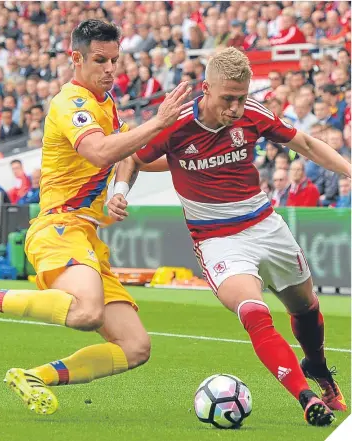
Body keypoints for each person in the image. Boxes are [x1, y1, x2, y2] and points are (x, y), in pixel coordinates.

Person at [0, 19, 192, 416]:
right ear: (76, 58)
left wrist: (196, 158)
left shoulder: (106, 103)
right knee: (86, 311)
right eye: (100, 60)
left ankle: (35, 377)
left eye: (115, 60)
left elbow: (131, 154)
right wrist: (159, 121)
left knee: (135, 347)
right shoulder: (71, 103)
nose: (110, 69)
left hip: (87, 236)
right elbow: (101, 152)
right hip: (58, 227)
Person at [108, 48, 350, 426]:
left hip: (266, 226)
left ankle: (317, 367)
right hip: (217, 239)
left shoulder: (253, 113)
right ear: (206, 89)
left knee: (307, 310)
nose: (235, 108)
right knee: (255, 312)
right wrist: (119, 191)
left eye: (241, 97)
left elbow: (304, 143)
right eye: (227, 99)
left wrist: (348, 169)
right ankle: (305, 396)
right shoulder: (176, 124)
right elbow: (134, 156)